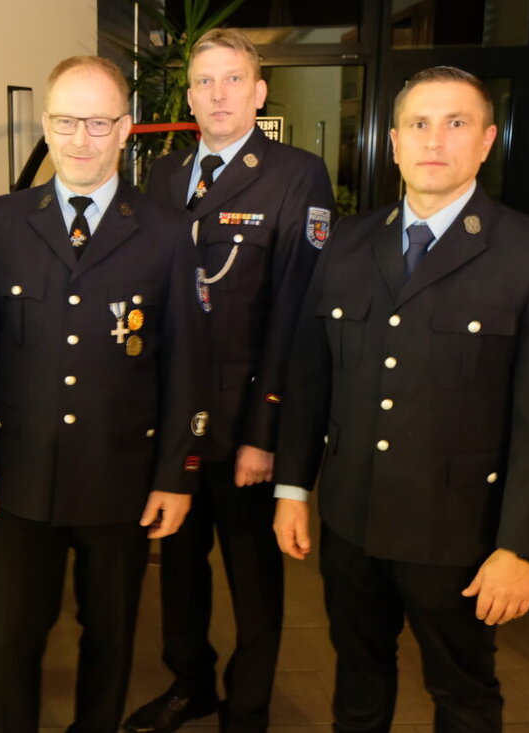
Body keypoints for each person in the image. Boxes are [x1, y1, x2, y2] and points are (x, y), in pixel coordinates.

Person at [272, 66, 529, 731]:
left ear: (487, 141)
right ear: (392, 142)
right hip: (354, 524)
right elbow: (309, 378)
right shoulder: (349, 243)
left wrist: (523, 547)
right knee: (358, 679)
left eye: (456, 123)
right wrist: (294, 488)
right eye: (418, 124)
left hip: (462, 535)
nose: (434, 140)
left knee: (463, 691)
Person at [0, 55, 207, 733]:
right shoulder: (3, 221)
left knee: (111, 636)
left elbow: (185, 364)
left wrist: (174, 476)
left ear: (126, 129)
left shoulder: (163, 229)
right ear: (47, 123)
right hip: (19, 478)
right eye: (66, 121)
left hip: (120, 478)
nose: (80, 138)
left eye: (98, 122)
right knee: (10, 638)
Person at [124, 28, 334, 733]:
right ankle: (191, 684)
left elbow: (296, 316)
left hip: (245, 422)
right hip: (175, 423)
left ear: (259, 91)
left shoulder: (296, 174)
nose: (217, 93)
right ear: (189, 96)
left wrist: (265, 433)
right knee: (180, 568)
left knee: (253, 582)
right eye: (204, 81)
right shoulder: (160, 175)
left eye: (232, 79)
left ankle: (248, 708)